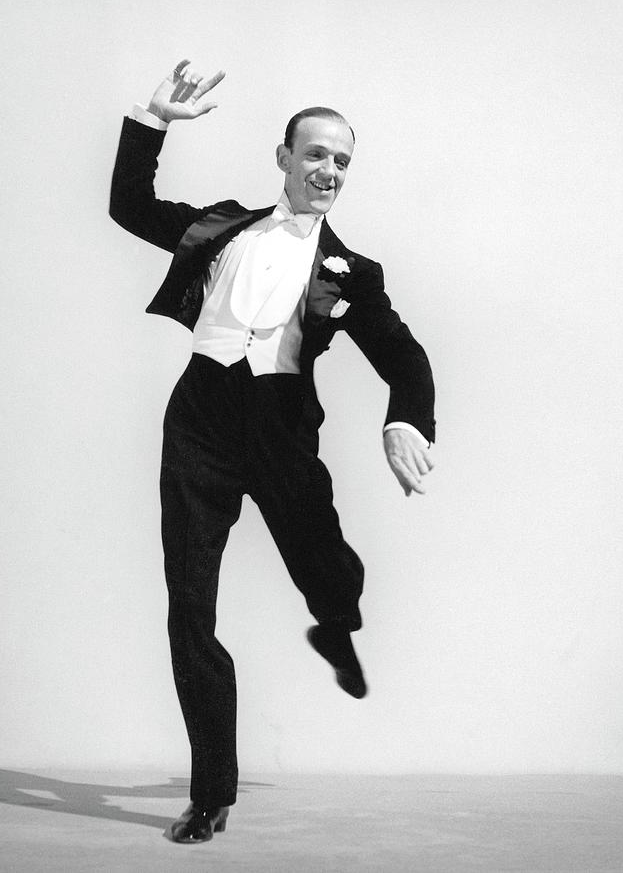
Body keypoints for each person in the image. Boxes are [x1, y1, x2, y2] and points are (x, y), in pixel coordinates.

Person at [109, 59, 436, 844]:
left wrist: (406, 419)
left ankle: (337, 622)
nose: (330, 171)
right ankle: (211, 791)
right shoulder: (221, 228)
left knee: (322, 564)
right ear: (284, 158)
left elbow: (404, 356)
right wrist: (150, 122)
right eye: (317, 154)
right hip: (200, 420)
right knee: (190, 606)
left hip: (281, 426)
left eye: (343, 162)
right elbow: (129, 204)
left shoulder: (351, 271)